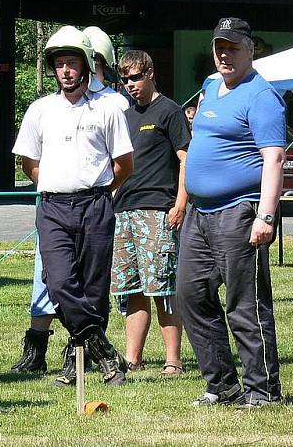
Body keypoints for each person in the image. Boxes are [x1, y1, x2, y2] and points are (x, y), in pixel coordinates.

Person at [13, 26, 134, 386]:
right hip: (52, 206)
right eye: (59, 65)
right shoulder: (40, 110)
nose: (65, 71)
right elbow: (28, 162)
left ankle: (76, 362)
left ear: (85, 67)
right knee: (60, 282)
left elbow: (124, 164)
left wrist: (101, 191)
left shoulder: (109, 108)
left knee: (94, 289)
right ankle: (106, 353)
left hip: (95, 203)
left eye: (72, 64)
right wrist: (55, 184)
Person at [178, 17, 285, 408]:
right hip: (199, 212)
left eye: (234, 47)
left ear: (251, 49)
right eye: (219, 47)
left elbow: (273, 158)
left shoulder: (262, 97)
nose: (225, 54)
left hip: (239, 211)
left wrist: (266, 216)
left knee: (245, 304)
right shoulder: (209, 86)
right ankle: (222, 385)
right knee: (190, 295)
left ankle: (263, 390)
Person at [112, 50, 191, 375]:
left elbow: (186, 159)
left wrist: (180, 204)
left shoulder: (169, 111)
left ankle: (173, 360)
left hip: (159, 210)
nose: (130, 85)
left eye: (135, 77)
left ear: (150, 73)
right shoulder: (124, 114)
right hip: (123, 211)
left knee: (163, 288)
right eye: (125, 79)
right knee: (131, 289)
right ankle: (133, 359)